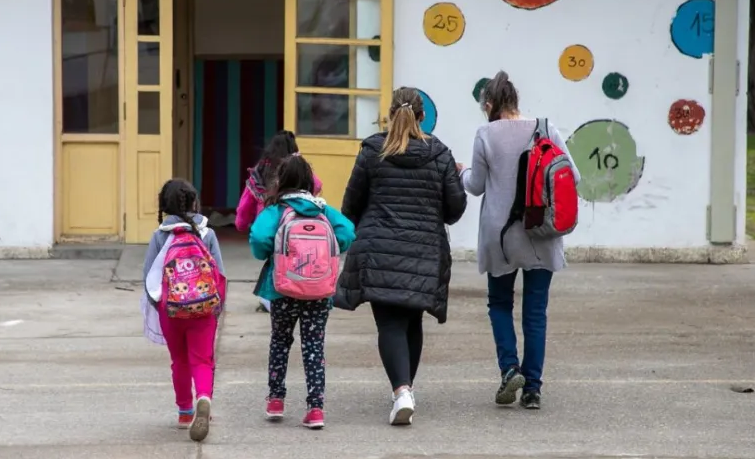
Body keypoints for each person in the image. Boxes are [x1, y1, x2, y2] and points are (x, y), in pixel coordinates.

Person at [333, 87, 467, 426]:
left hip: (379, 250)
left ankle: (402, 390)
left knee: (389, 323)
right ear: (422, 117)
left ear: (391, 115)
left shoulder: (372, 151)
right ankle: (405, 390)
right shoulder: (440, 154)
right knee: (412, 321)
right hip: (425, 250)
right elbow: (454, 210)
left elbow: (350, 205)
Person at [458, 71, 580, 411]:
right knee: (536, 311)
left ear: (490, 105)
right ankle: (533, 390)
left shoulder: (486, 134)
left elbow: (476, 185)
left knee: (499, 304)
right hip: (541, 229)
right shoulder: (545, 127)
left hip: (501, 235)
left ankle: (510, 368)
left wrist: (460, 171)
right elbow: (574, 175)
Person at [249, 155, 355, 430]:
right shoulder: (323, 210)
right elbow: (347, 232)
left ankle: (275, 400)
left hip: (282, 288)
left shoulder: (276, 211)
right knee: (314, 346)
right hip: (319, 290)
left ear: (281, 182)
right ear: (310, 182)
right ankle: (315, 408)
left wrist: (271, 252)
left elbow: (259, 239)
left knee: (280, 342)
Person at [140, 179, 226, 442]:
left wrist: (162, 305)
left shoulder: (160, 235)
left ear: (164, 205)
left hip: (172, 310)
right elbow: (220, 273)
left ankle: (185, 412)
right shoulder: (207, 233)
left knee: (179, 360)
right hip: (204, 310)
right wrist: (216, 307)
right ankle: (204, 397)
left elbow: (149, 277)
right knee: (203, 360)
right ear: (194, 202)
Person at [236, 130, 323, 313]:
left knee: (274, 262)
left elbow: (245, 206)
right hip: (297, 226)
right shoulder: (299, 170)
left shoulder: (260, 172)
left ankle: (271, 298)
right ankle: (301, 291)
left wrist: (241, 224)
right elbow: (317, 185)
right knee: (296, 259)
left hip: (270, 228)